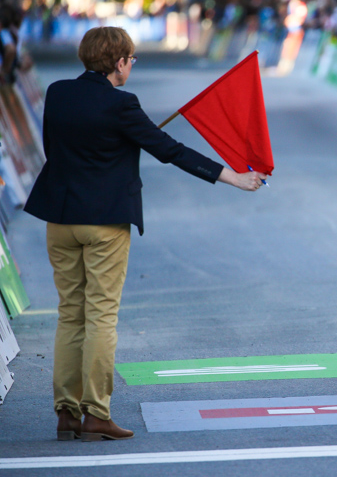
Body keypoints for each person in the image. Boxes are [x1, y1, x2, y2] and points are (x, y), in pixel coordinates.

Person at [23, 27, 268, 442]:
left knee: (70, 314)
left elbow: (60, 146)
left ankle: (66, 412)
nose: (131, 66)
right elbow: (169, 150)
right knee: (101, 315)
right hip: (103, 222)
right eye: (131, 60)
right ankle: (96, 413)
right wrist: (234, 178)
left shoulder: (59, 92)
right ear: (118, 63)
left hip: (59, 218)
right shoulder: (122, 105)